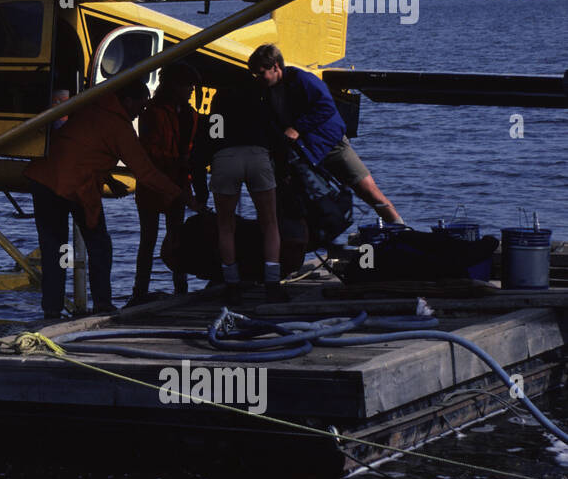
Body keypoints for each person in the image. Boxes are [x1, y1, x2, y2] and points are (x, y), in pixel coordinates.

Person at [24, 84, 199, 319]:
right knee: (99, 245)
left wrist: (107, 178)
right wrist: (181, 195)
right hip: (74, 185)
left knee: (53, 248)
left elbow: (82, 148)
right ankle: (102, 304)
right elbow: (146, 173)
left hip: (43, 178)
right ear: (127, 101)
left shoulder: (90, 107)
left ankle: (52, 310)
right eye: (140, 106)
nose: (141, 112)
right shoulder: (120, 127)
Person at [248, 43, 404, 225]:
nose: (258, 78)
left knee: (368, 190)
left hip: (330, 144)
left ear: (275, 67)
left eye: (261, 73)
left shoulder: (302, 79)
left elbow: (326, 106)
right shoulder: (267, 91)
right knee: (308, 202)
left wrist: (298, 128)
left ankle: (400, 227)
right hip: (305, 153)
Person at [203, 80, 287, 303]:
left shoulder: (218, 108)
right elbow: (276, 137)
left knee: (225, 226)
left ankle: (232, 284)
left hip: (225, 157)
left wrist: (201, 186)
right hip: (257, 155)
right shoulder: (260, 104)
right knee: (270, 223)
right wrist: (283, 171)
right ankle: (272, 284)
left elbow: (210, 139)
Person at [130, 63, 200, 304]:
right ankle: (140, 291)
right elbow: (149, 149)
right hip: (154, 184)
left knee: (175, 237)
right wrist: (178, 161)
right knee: (149, 239)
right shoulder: (153, 112)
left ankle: (180, 288)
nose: (191, 90)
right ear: (174, 85)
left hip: (177, 183)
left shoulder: (190, 114)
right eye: (187, 85)